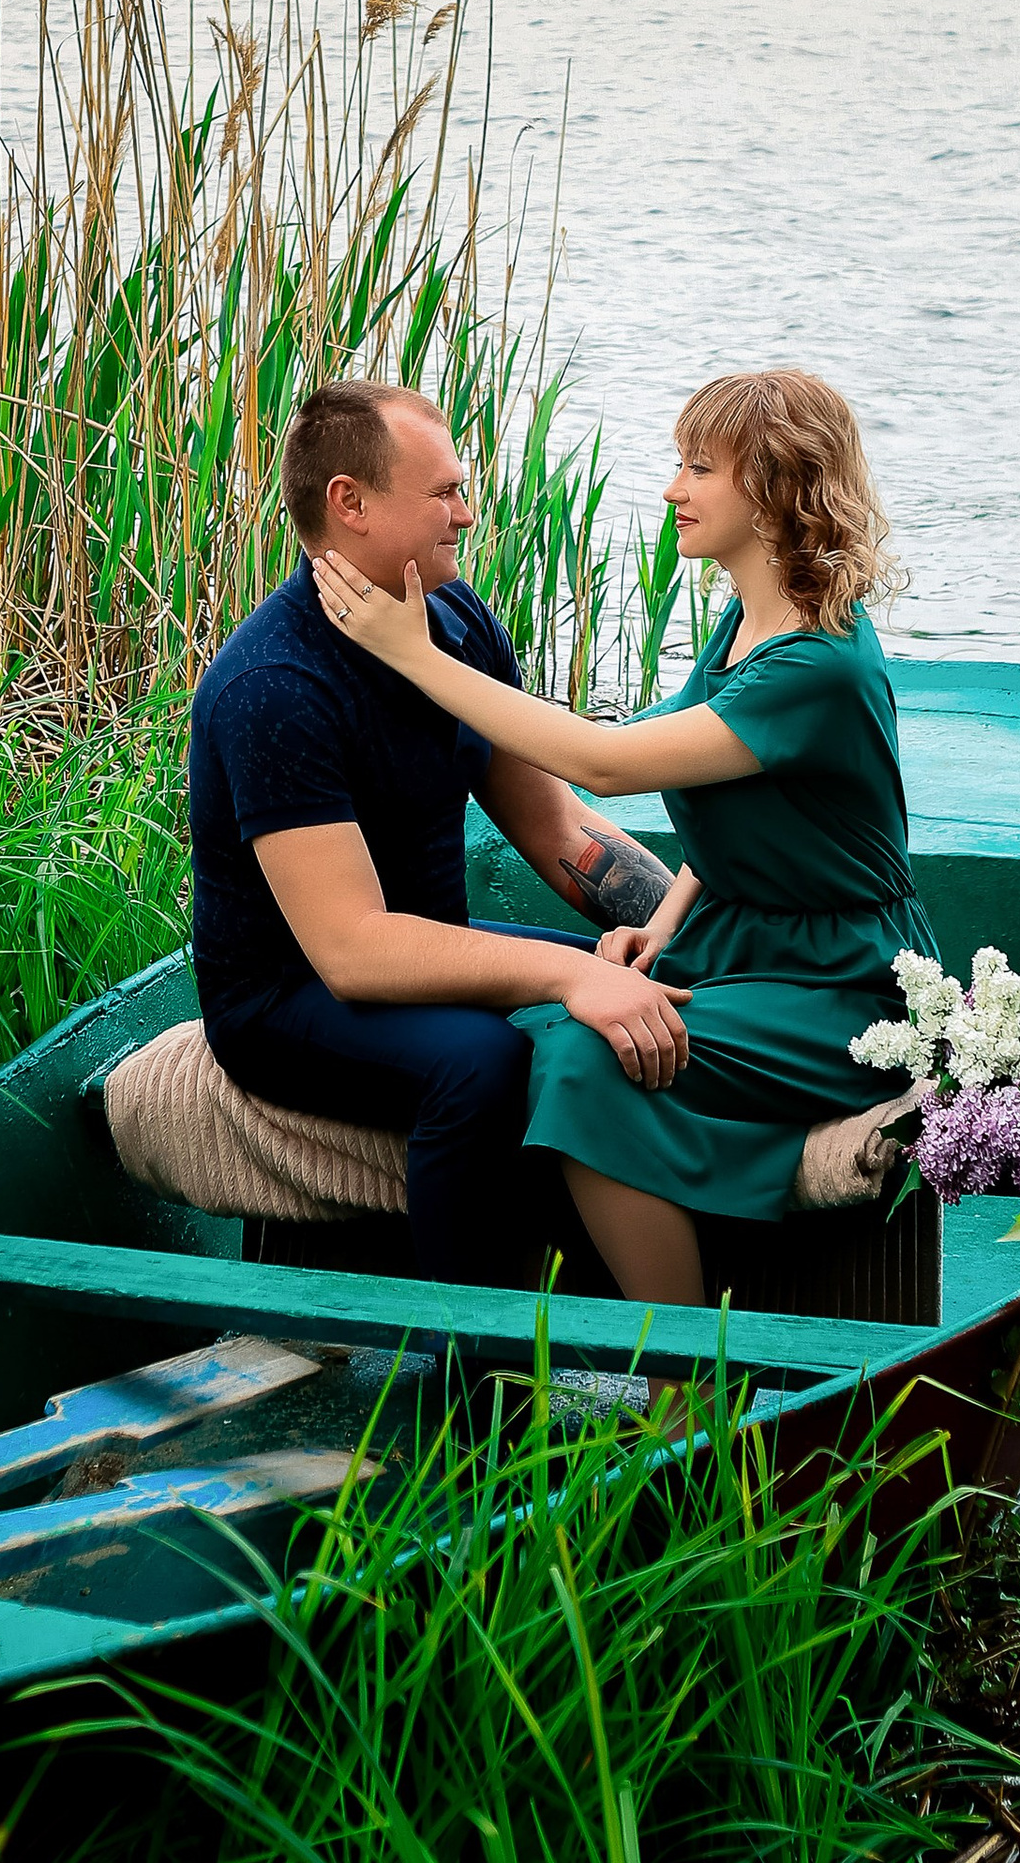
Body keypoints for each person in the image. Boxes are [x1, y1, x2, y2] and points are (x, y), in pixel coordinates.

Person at [309, 367, 935, 1307]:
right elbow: (743, 818)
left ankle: (683, 1386)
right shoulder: (744, 624)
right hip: (741, 941)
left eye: (698, 468)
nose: (673, 489)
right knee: (547, 1028)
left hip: (839, 980)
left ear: (773, 490)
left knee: (580, 1055)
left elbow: (603, 763)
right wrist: (669, 921)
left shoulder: (816, 667)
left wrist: (413, 654)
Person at [189, 378, 703, 1288]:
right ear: (349, 503)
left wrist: (678, 934)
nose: (467, 514)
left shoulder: (454, 622)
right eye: (444, 494)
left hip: (429, 948)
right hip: (288, 996)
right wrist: (569, 971)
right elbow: (351, 952)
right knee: (483, 1062)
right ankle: (471, 1386)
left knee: (657, 981)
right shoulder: (274, 685)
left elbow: (554, 825)